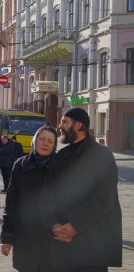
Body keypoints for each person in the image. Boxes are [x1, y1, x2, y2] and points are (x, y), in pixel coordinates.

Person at [40, 108, 122, 272]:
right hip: (61, 242)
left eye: (65, 121)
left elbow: (103, 199)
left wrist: (74, 225)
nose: (60, 126)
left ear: (78, 125)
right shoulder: (59, 157)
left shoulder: (102, 155)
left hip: (92, 244)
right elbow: (46, 195)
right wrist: (53, 224)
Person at [0, 126, 57, 272]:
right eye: (42, 139)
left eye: (50, 141)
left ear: (55, 145)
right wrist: (7, 238)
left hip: (52, 238)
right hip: (25, 234)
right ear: (35, 140)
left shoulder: (60, 167)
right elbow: (11, 204)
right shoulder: (20, 165)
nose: (45, 144)